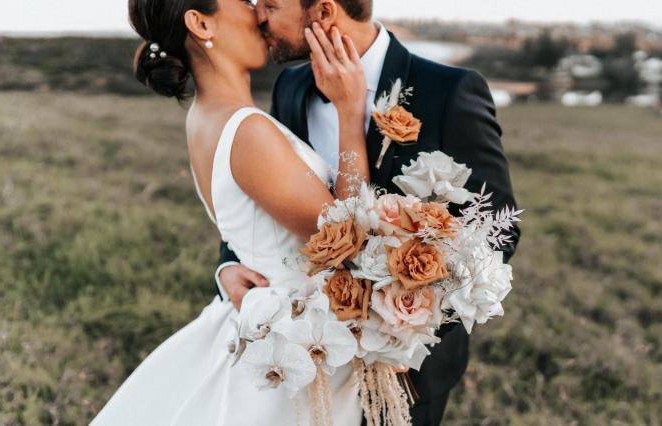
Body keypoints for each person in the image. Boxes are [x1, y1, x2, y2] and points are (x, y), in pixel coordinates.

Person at [216, 0, 521, 424]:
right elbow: (262, 188)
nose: (258, 15)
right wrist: (228, 263)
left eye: (270, 4)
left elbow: (496, 231)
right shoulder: (290, 86)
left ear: (322, 12)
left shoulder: (447, 90)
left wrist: (410, 328)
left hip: (407, 372)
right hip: (309, 358)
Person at [93, 0, 370, 424]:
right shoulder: (246, 130)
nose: (259, 11)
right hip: (290, 346)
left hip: (264, 324)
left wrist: (226, 270)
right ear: (201, 22)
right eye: (242, 0)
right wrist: (350, 113)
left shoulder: (205, 119)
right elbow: (348, 239)